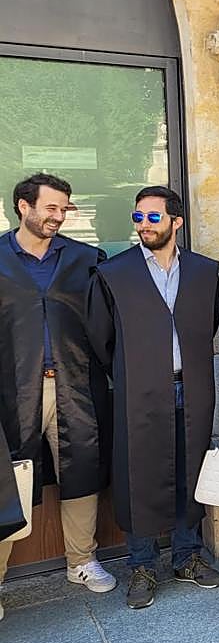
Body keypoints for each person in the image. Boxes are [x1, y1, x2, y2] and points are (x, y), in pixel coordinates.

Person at [86, 185, 219, 609]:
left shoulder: (203, 271)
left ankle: (187, 557)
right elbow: (100, 337)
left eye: (153, 217)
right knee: (138, 474)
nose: (143, 225)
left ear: (175, 222)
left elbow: (209, 322)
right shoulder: (115, 273)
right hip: (139, 391)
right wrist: (134, 372)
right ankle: (142, 564)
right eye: (138, 217)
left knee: (190, 472)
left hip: (193, 387)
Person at [0, 174, 115, 603]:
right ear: (23, 207)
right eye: (51, 208)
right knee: (8, 480)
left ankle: (81, 561)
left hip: (76, 384)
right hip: (13, 390)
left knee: (81, 470)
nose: (59, 216)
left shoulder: (87, 259)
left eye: (64, 209)